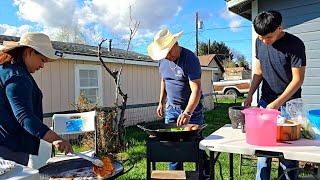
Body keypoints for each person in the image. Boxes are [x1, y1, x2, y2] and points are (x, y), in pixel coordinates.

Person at [244, 10, 306, 180]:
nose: (264, 41)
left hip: (290, 105)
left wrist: (278, 103)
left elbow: (297, 80)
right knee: (263, 153)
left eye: (268, 37)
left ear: (280, 28)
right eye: (261, 37)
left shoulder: (295, 44)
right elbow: (258, 71)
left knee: (288, 156)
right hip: (265, 103)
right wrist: (250, 95)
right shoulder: (260, 40)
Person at [0, 32, 74, 166]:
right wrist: (56, 139)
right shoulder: (18, 77)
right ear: (30, 52)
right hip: (10, 147)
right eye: (42, 60)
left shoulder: (6, 70)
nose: (42, 66)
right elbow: (24, 116)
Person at [148, 28, 209, 175]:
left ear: (176, 43)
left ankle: (205, 173)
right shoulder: (163, 61)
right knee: (173, 147)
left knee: (194, 145)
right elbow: (164, 81)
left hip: (192, 111)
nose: (167, 56)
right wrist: (161, 102)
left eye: (169, 52)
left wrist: (188, 112)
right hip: (172, 109)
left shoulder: (190, 59)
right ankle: (175, 176)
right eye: (164, 53)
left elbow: (196, 90)